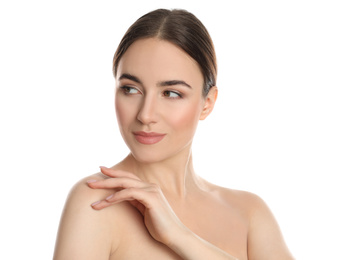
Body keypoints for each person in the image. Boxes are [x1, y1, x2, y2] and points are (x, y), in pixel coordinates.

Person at [54, 9, 294, 260]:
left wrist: (179, 236)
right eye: (130, 89)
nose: (145, 115)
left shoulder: (249, 214)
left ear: (207, 103)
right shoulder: (97, 202)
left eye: (171, 93)